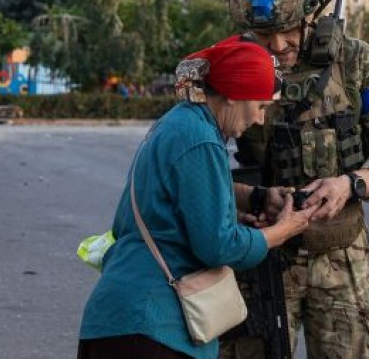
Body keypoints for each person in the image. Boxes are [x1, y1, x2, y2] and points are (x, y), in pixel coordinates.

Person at [220, 0, 369, 359]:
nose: (276, 45)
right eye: (263, 35)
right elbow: (198, 155)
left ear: (313, 11)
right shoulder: (233, 65)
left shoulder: (353, 60)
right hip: (264, 257)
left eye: (287, 29)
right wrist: (243, 201)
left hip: (342, 260)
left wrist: (350, 184)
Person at [77, 36, 317, 359]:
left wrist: (249, 202)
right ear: (233, 96)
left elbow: (183, 200)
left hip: (119, 323)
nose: (260, 118)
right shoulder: (201, 138)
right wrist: (281, 231)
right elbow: (219, 246)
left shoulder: (177, 123)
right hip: (151, 329)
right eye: (260, 106)